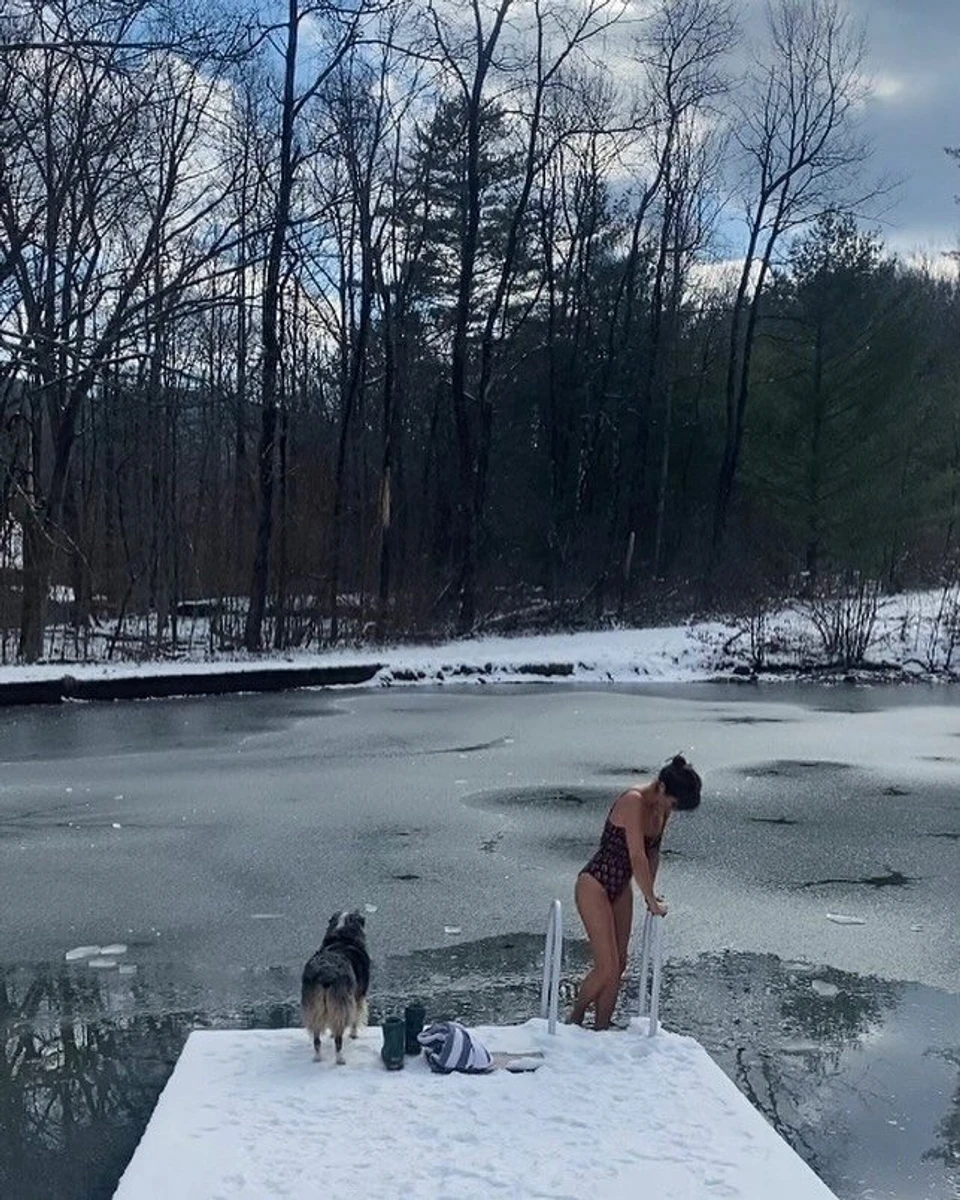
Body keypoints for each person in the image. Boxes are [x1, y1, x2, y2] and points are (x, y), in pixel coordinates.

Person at [568, 754, 701, 1030]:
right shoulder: (634, 801)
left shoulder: (661, 811)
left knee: (620, 965)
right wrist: (650, 900)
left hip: (621, 886)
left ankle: (601, 1028)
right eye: (674, 803)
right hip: (594, 883)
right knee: (606, 965)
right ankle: (574, 1018)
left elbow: (653, 854)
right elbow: (637, 855)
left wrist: (650, 893)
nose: (672, 810)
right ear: (663, 788)